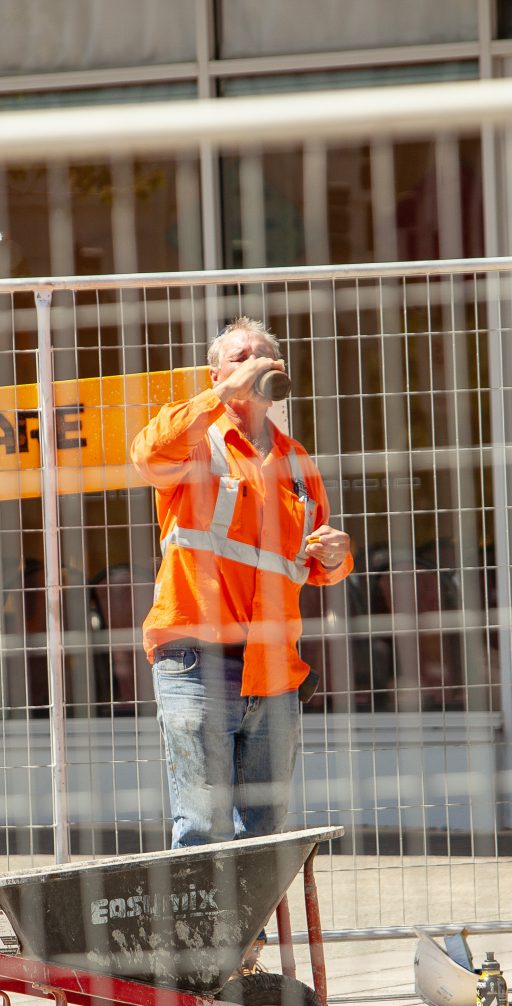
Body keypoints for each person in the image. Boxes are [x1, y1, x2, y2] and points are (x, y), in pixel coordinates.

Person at [131, 316, 352, 867]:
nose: (252, 362)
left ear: (280, 371)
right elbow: (146, 455)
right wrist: (219, 395)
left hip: (274, 671)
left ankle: (245, 954)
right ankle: (202, 956)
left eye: (263, 355)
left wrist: (337, 552)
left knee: (264, 837)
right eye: (238, 356)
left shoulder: (296, 461)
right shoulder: (194, 440)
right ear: (216, 372)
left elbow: (316, 565)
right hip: (195, 660)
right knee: (203, 829)